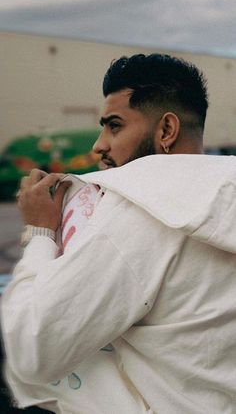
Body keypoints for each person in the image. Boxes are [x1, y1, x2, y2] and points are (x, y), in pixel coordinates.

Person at [1, 53, 236, 414]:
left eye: (114, 126)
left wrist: (40, 231)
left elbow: (32, 350)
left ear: (166, 131)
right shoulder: (223, 194)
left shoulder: (143, 212)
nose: (99, 145)